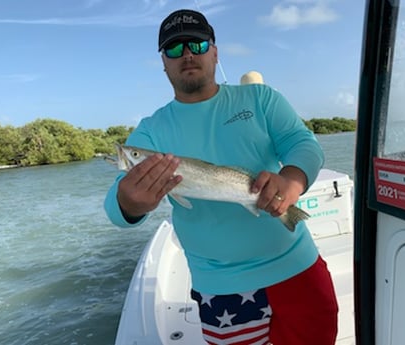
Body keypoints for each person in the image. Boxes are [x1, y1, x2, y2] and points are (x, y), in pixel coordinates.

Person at [104, 9, 338, 345]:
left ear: (215, 51)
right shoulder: (151, 131)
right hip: (221, 288)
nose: (186, 54)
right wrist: (129, 202)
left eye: (197, 45)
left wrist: (291, 180)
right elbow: (116, 209)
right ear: (164, 63)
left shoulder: (261, 98)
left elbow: (304, 144)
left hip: (297, 267)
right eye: (174, 49)